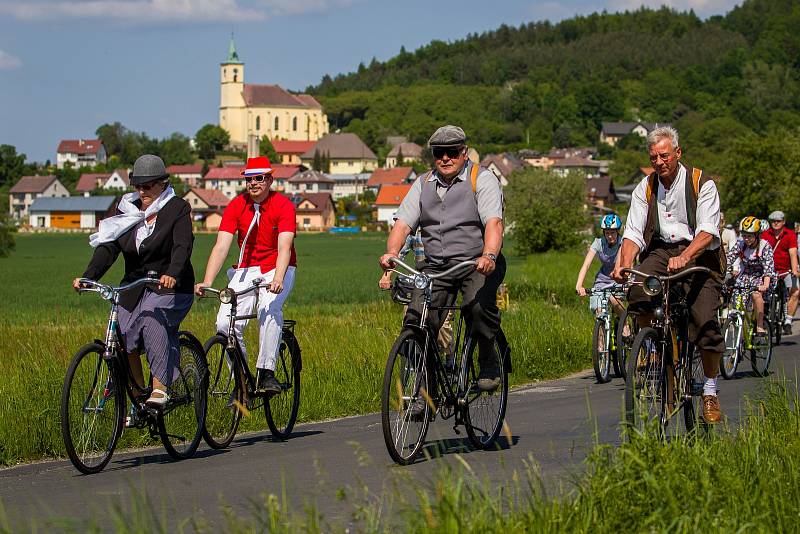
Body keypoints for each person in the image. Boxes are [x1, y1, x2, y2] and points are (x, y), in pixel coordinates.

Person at [379, 125, 505, 412]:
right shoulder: (422, 184)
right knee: (416, 320)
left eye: (451, 152)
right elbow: (402, 224)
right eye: (439, 153)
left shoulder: (481, 180)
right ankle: (425, 390)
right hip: (435, 266)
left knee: (475, 306)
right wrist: (392, 252)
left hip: (477, 262)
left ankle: (487, 358)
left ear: (463, 152)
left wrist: (488, 255)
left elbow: (493, 224)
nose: (445, 158)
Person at [611, 126, 726, 424]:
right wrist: (623, 263)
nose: (660, 162)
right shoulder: (646, 187)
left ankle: (710, 391)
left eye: (664, 156)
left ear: (677, 153)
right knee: (638, 288)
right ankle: (655, 345)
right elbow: (634, 231)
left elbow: (708, 231)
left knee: (705, 322)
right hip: (662, 250)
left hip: (698, 252)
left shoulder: (702, 183)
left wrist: (686, 256)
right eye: (654, 157)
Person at [74, 154, 195, 414]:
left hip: (170, 285)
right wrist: (89, 276)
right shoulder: (126, 211)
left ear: (163, 183)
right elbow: (108, 247)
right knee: (122, 334)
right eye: (138, 185)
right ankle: (140, 396)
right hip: (135, 285)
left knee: (153, 319)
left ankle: (160, 389)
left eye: (148, 185)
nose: (142, 191)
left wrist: (172, 273)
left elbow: (182, 246)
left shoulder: (177, 208)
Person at [195, 156, 296, 395]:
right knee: (224, 323)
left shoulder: (283, 205)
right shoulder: (236, 205)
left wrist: (279, 278)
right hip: (245, 270)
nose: (254, 183)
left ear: (270, 180)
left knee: (269, 308)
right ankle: (240, 380)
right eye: (249, 179)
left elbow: (285, 247)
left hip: (278, 267)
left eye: (259, 178)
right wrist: (208, 281)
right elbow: (221, 246)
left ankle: (266, 372)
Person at [379, 228, 454, 360]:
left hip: (444, 280)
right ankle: (414, 359)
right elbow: (399, 255)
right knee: (411, 317)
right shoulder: (415, 231)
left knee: (443, 327)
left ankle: (449, 359)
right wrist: (387, 276)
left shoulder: (446, 227)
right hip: (421, 282)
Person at [728, 217, 774, 334]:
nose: (746, 239)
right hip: (745, 275)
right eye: (744, 235)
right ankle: (739, 329)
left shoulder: (765, 246)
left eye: (750, 236)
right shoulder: (741, 244)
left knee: (756, 295)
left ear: (757, 235)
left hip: (761, 276)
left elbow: (768, 269)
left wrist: (765, 284)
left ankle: (759, 325)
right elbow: (729, 259)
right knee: (737, 300)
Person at [576, 214, 625, 317]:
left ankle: (625, 329)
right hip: (602, 281)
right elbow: (586, 265)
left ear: (617, 231)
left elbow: (622, 263)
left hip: (619, 278)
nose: (610, 236)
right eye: (607, 233)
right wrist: (579, 285)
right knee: (599, 311)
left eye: (612, 232)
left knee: (615, 301)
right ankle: (601, 332)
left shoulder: (623, 242)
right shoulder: (598, 243)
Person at [760, 210, 799, 335]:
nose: (775, 223)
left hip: (786, 270)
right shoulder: (765, 235)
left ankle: (788, 321)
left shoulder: (790, 234)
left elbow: (793, 253)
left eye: (778, 221)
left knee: (796, 290)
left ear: (783, 222)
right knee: (761, 290)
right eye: (773, 221)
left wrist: (794, 270)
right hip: (770, 271)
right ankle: (765, 315)